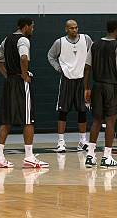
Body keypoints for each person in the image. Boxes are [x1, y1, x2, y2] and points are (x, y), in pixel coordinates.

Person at [0, 18, 49, 169]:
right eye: (32, 27)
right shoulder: (23, 40)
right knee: (28, 120)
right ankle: (29, 157)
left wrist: (6, 74)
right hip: (20, 82)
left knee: (6, 120)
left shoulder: (7, 39)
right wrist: (24, 75)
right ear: (26, 27)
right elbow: (24, 57)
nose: (33, 29)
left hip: (9, 82)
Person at [84, 20, 117, 168]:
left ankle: (90, 156)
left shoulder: (94, 45)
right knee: (110, 122)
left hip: (97, 86)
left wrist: (86, 88)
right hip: (111, 86)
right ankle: (107, 157)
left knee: (97, 121)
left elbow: (87, 68)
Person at [47, 19, 93, 153]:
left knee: (82, 111)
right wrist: (58, 68)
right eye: (71, 28)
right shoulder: (59, 42)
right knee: (63, 111)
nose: (74, 30)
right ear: (66, 29)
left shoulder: (86, 39)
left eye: (76, 27)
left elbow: (93, 53)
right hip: (67, 79)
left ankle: (82, 141)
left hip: (82, 79)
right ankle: (61, 142)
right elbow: (50, 56)